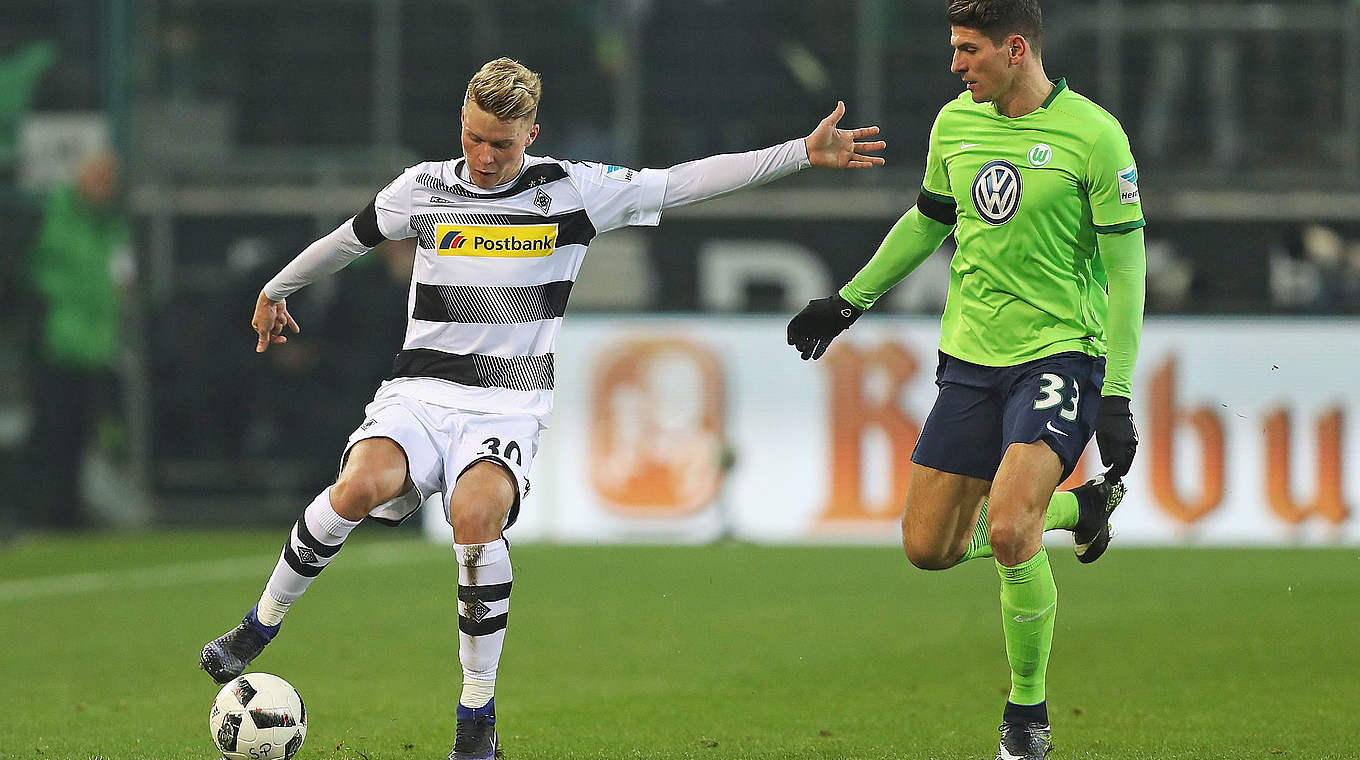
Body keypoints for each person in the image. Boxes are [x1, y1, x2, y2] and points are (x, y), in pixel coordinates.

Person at [200, 57, 885, 760]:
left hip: (506, 406)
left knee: (474, 518)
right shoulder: (424, 188)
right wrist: (276, 289)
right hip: (421, 393)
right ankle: (259, 625)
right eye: (473, 138)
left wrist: (800, 152)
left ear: (534, 132)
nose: (485, 157)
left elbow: (685, 182)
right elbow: (347, 241)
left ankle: (475, 718)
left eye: (502, 143)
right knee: (356, 487)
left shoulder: (573, 192)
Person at [786, 2, 1144, 758]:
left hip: (1060, 356)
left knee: (1010, 525)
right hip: (972, 364)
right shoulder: (955, 125)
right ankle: (1078, 512)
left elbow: (1127, 273)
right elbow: (927, 220)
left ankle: (1025, 718)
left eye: (967, 50)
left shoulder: (1096, 136)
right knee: (928, 546)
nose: (956, 65)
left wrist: (1115, 391)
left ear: (1015, 49)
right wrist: (847, 302)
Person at [19, 150, 132, 529]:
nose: (105, 187)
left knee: (80, 437)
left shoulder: (113, 226)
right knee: (49, 434)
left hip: (97, 347)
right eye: (99, 178)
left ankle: (64, 515)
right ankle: (33, 514)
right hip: (55, 343)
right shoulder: (52, 214)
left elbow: (121, 281)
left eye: (109, 180)